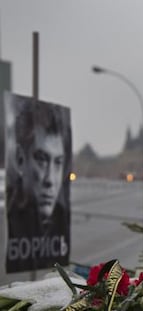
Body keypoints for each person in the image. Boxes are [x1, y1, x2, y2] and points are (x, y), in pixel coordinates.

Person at [5, 95, 71, 273]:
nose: (50, 180)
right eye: (41, 159)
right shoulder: (6, 229)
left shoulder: (60, 220)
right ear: (20, 160)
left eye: (58, 162)